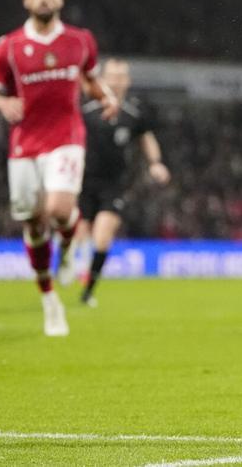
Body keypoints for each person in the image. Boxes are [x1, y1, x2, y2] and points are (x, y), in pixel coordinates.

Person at [0, 0, 118, 336]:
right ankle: (49, 301)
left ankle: (69, 248)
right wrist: (3, 102)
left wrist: (106, 97)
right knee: (33, 223)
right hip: (25, 142)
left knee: (58, 208)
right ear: (26, 1)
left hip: (66, 135)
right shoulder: (8, 46)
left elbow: (89, 78)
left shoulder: (80, 41)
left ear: (60, 0)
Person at [72, 58, 171, 307]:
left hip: (115, 185)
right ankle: (70, 266)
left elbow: (147, 138)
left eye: (120, 76)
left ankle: (88, 291)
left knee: (102, 237)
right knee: (79, 235)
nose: (116, 81)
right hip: (83, 182)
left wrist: (156, 163)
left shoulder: (133, 113)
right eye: (112, 76)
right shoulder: (86, 110)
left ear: (127, 81)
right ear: (103, 79)